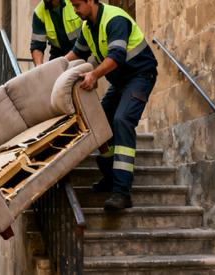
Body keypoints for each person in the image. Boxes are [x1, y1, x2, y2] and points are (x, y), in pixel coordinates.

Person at [65, 0, 158, 211]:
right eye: (73, 6)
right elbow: (76, 53)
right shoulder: (88, 26)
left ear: (91, 1)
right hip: (121, 82)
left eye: (78, 5)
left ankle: (122, 192)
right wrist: (50, 71)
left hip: (140, 76)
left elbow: (116, 57)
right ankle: (110, 176)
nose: (75, 10)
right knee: (99, 123)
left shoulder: (114, 19)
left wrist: (95, 74)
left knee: (122, 120)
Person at [31, 0, 83, 66]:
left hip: (85, 49)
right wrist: (39, 67)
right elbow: (37, 46)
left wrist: (60, 64)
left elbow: (82, 47)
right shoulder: (39, 13)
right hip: (59, 51)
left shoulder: (75, 3)